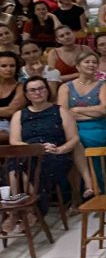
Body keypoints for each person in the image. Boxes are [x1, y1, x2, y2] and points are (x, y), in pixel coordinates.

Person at [10, 76, 78, 213]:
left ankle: (33, 210)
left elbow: (74, 138)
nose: (38, 92)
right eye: (33, 90)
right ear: (27, 95)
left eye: (41, 88)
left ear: (47, 90)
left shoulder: (60, 111)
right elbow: (14, 141)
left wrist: (60, 150)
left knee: (33, 167)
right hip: (28, 152)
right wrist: (36, 149)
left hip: (54, 153)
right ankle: (16, 210)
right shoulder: (19, 115)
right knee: (14, 167)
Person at [59, 48, 106, 200]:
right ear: (78, 66)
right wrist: (87, 112)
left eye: (94, 62)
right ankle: (84, 191)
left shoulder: (103, 85)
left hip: (98, 127)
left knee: (78, 141)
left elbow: (103, 110)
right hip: (72, 128)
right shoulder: (65, 87)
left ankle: (96, 189)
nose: (91, 65)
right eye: (87, 62)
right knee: (74, 140)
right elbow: (63, 113)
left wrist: (76, 110)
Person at [0, 50, 24, 143]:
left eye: (12, 66)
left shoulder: (21, 87)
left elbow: (11, 111)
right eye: (4, 66)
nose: (8, 69)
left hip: (11, 127)